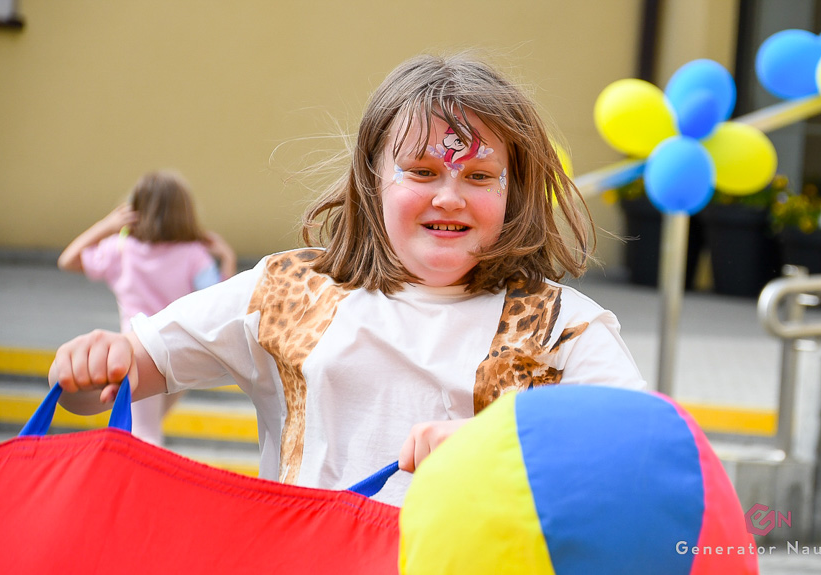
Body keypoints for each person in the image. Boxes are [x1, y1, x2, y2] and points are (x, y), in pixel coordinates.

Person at [49, 54, 646, 506]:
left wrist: (505, 446)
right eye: (422, 169)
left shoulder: (563, 324)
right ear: (372, 176)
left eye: (480, 176)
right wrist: (95, 362)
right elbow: (112, 382)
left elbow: (642, 445)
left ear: (512, 191)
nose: (449, 196)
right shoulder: (289, 291)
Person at [56, 170, 237, 446]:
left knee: (144, 433)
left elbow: (68, 259)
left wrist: (107, 225)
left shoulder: (121, 250)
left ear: (136, 209)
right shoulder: (193, 254)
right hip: (182, 350)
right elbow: (219, 299)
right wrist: (227, 258)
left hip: (138, 353)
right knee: (148, 427)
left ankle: (138, 485)